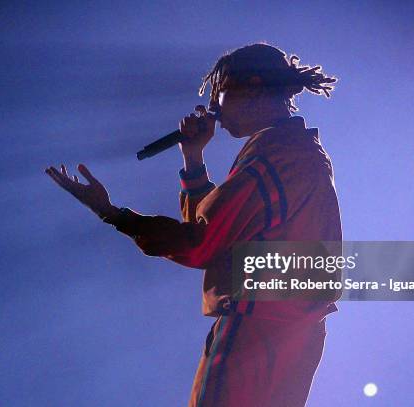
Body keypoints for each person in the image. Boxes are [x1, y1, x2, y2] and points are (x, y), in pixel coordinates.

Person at [45, 43, 342, 407]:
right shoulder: (299, 154)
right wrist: (193, 156)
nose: (212, 108)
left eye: (220, 92)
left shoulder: (275, 158)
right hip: (286, 333)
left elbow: (202, 242)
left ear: (250, 85)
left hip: (256, 332)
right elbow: (220, 231)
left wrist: (111, 212)